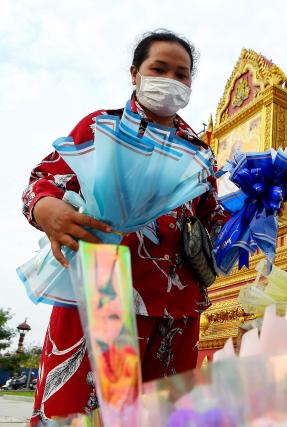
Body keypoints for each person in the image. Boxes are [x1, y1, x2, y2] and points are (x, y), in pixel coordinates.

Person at [21, 30, 226, 423]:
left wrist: (260, 204)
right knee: (89, 413)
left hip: (177, 302)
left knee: (160, 415)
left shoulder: (200, 152)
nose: (171, 81)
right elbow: (43, 180)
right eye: (159, 69)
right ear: (135, 73)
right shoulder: (101, 128)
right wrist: (47, 209)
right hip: (104, 286)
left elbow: (212, 220)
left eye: (182, 75)